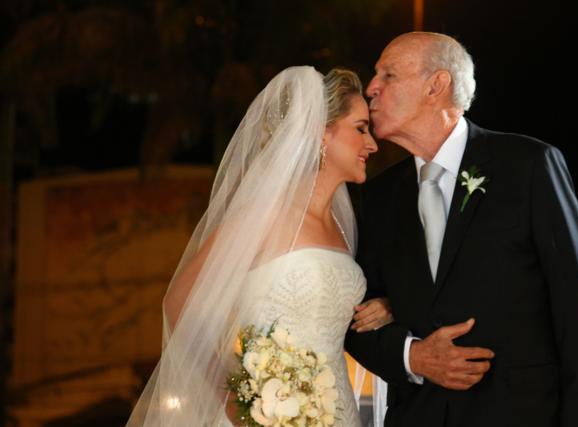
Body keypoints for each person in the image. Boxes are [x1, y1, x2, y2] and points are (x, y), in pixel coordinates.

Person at [345, 32, 578, 427]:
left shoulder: (528, 166)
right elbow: (351, 317)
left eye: (389, 74)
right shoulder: (378, 196)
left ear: (436, 85)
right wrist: (412, 356)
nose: (371, 88)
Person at [125, 66, 388, 427]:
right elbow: (179, 302)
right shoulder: (266, 217)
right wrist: (237, 400)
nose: (372, 143)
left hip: (339, 412)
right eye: (360, 128)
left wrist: (384, 309)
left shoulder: (344, 227)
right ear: (321, 133)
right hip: (267, 416)